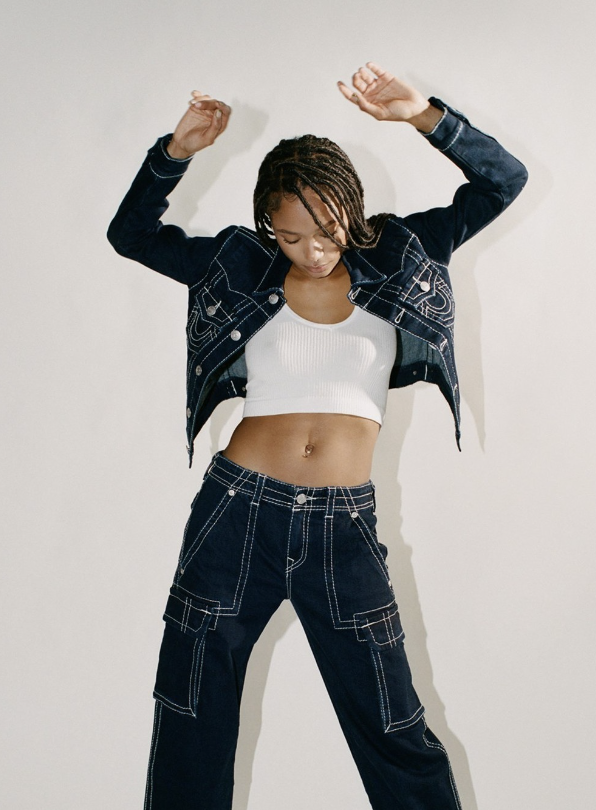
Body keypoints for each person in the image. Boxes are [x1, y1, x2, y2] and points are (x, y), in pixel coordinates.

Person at [108, 63, 527, 810]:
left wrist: (423, 116)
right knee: (193, 716)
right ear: (269, 226)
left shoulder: (405, 251)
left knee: (394, 726)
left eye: (328, 231)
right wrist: (175, 153)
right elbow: (130, 235)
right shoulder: (237, 264)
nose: (313, 251)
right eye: (292, 235)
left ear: (351, 210)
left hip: (343, 526)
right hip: (235, 514)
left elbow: (504, 182)